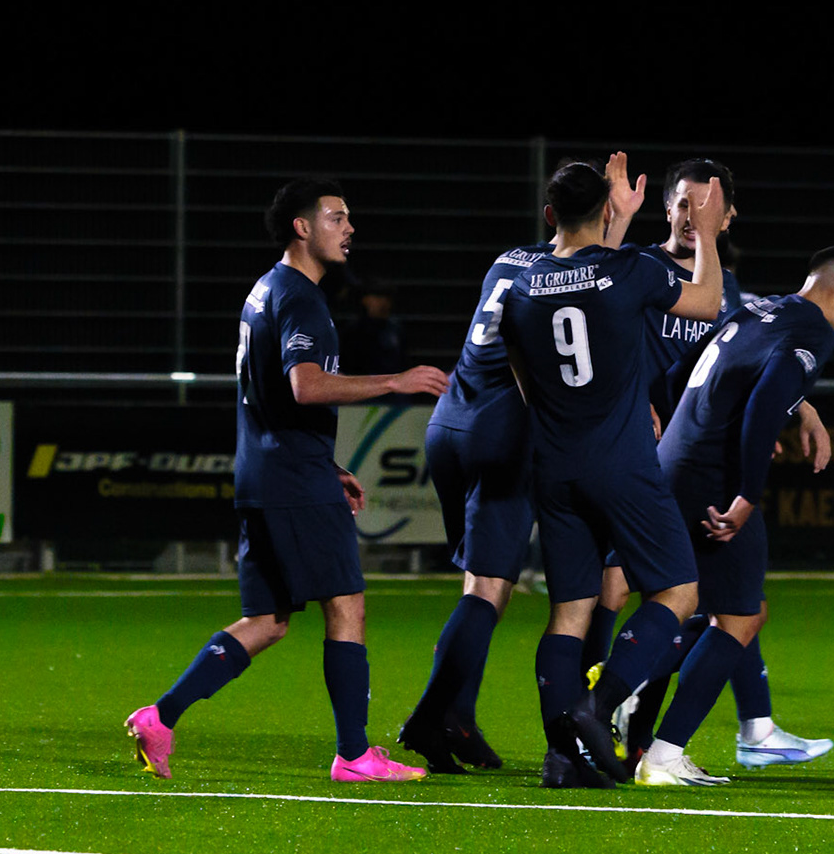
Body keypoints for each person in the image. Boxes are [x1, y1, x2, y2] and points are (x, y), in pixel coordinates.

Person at [124, 178, 451, 783]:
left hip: (268, 471)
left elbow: (275, 397)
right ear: (303, 227)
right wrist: (394, 381)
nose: (349, 228)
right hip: (290, 479)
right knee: (346, 606)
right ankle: (354, 756)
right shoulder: (299, 297)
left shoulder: (264, 290)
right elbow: (304, 385)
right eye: (336, 217)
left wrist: (327, 465)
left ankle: (160, 718)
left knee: (269, 620)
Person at [592, 159, 834, 774]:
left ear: (727, 217)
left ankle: (677, 723)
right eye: (680, 203)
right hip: (630, 448)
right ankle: (596, 710)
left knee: (717, 603)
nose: (689, 215)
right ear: (665, 208)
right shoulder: (638, 268)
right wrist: (636, 403)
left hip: (687, 452)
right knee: (624, 588)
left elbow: (731, 361)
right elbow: (600, 344)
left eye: (703, 206)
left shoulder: (723, 285)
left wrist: (796, 408)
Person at [501, 154, 727, 786]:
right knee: (678, 591)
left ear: (550, 215)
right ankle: (597, 708)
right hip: (622, 462)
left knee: (570, 612)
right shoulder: (629, 270)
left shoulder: (520, 282)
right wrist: (705, 230)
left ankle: (560, 757)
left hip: (554, 463)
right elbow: (707, 302)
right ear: (606, 211)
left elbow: (521, 372)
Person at [633, 248, 834, 785]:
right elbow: (765, 405)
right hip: (711, 478)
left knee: (694, 606)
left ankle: (634, 696)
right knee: (740, 618)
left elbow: (687, 369)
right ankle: (660, 748)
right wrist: (746, 494)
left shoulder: (759, 309)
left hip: (674, 462)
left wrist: (700, 429)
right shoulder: (813, 331)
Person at [394, 241, 552, 773]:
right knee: (488, 589)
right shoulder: (571, 275)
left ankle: (457, 717)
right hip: (499, 431)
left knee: (482, 586)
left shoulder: (512, 259)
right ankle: (432, 716)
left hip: (450, 422)